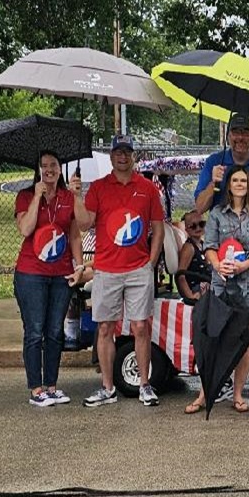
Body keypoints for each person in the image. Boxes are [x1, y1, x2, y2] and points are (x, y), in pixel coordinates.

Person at [194, 112, 249, 402]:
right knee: (224, 321)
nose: (240, 137)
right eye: (236, 132)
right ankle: (222, 377)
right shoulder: (214, 164)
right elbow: (199, 207)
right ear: (228, 135)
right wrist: (213, 183)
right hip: (223, 263)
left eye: (245, 132)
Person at [73, 136, 165, 407]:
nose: (122, 157)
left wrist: (151, 261)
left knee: (140, 327)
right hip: (107, 269)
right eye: (118, 152)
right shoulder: (99, 188)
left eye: (127, 152)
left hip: (138, 268)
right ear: (111, 157)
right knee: (105, 328)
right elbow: (85, 223)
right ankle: (107, 387)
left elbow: (157, 227)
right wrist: (77, 197)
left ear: (133, 156)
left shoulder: (147, 188)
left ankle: (145, 385)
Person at [185, 166, 249, 415]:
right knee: (215, 336)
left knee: (245, 338)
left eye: (243, 180)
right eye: (235, 180)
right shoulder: (216, 214)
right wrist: (217, 264)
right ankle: (205, 394)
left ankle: (238, 394)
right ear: (228, 184)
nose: (239, 184)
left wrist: (247, 263)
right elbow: (210, 245)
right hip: (222, 281)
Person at [14, 150, 83, 407]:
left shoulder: (68, 197)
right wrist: (36, 197)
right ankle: (36, 388)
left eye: (53, 165)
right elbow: (26, 228)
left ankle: (52, 385)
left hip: (60, 273)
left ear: (60, 169)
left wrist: (78, 266)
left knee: (55, 331)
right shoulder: (25, 196)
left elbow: (75, 235)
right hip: (31, 273)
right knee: (34, 331)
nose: (49, 170)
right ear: (38, 170)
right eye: (43, 166)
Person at [176, 210, 212, 304]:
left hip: (206, 285)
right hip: (196, 289)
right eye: (193, 226)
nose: (198, 228)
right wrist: (190, 297)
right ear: (187, 229)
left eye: (201, 224)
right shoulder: (189, 248)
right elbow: (181, 275)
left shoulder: (202, 244)